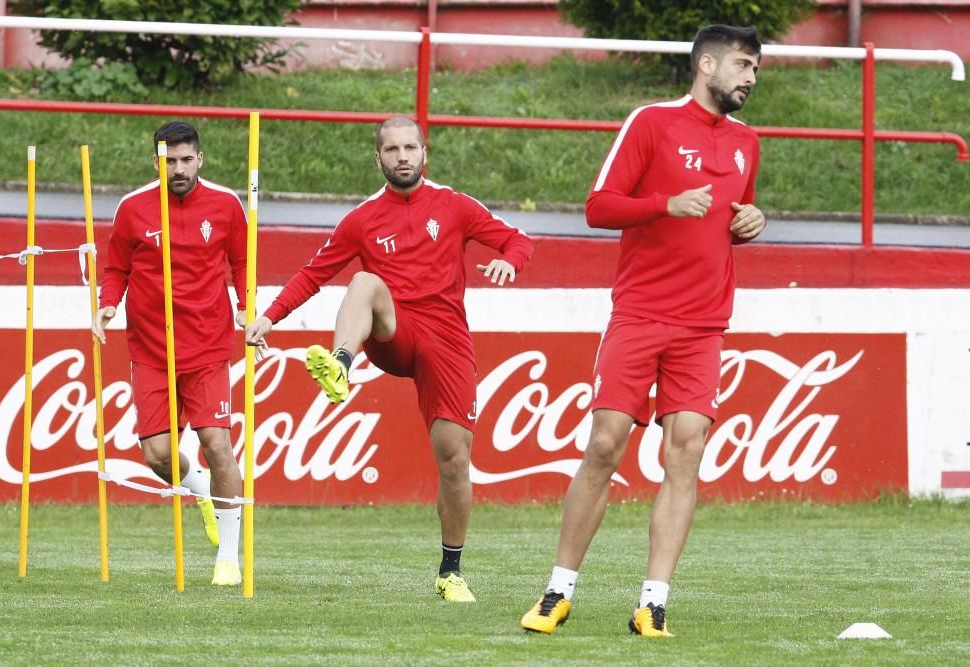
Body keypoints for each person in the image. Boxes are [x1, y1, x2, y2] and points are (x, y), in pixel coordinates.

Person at [520, 25, 767, 636]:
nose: (750, 78)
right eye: (742, 65)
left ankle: (652, 603)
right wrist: (664, 203)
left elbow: (733, 217)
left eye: (755, 69)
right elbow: (599, 206)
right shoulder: (652, 122)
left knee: (686, 453)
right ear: (705, 64)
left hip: (704, 323)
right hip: (639, 313)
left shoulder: (747, 142)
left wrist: (751, 222)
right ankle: (558, 591)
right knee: (605, 445)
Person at [244, 117, 533, 602]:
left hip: (447, 341)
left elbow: (518, 240)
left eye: (409, 148)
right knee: (364, 283)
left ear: (425, 154)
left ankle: (450, 571)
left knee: (455, 461)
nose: (402, 157)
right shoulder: (362, 219)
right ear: (377, 158)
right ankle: (340, 363)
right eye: (392, 150)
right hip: (392, 331)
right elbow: (314, 274)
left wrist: (510, 260)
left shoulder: (455, 205)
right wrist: (270, 317)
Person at [92, 120, 249, 586]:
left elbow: (242, 262)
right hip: (150, 347)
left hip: (207, 345)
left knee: (217, 443)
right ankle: (198, 490)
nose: (177, 169)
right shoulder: (133, 208)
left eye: (185, 159)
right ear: (156, 161)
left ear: (200, 159)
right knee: (159, 456)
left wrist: (248, 306)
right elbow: (116, 266)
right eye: (168, 160)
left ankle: (228, 555)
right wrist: (105, 304)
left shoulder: (225, 205)